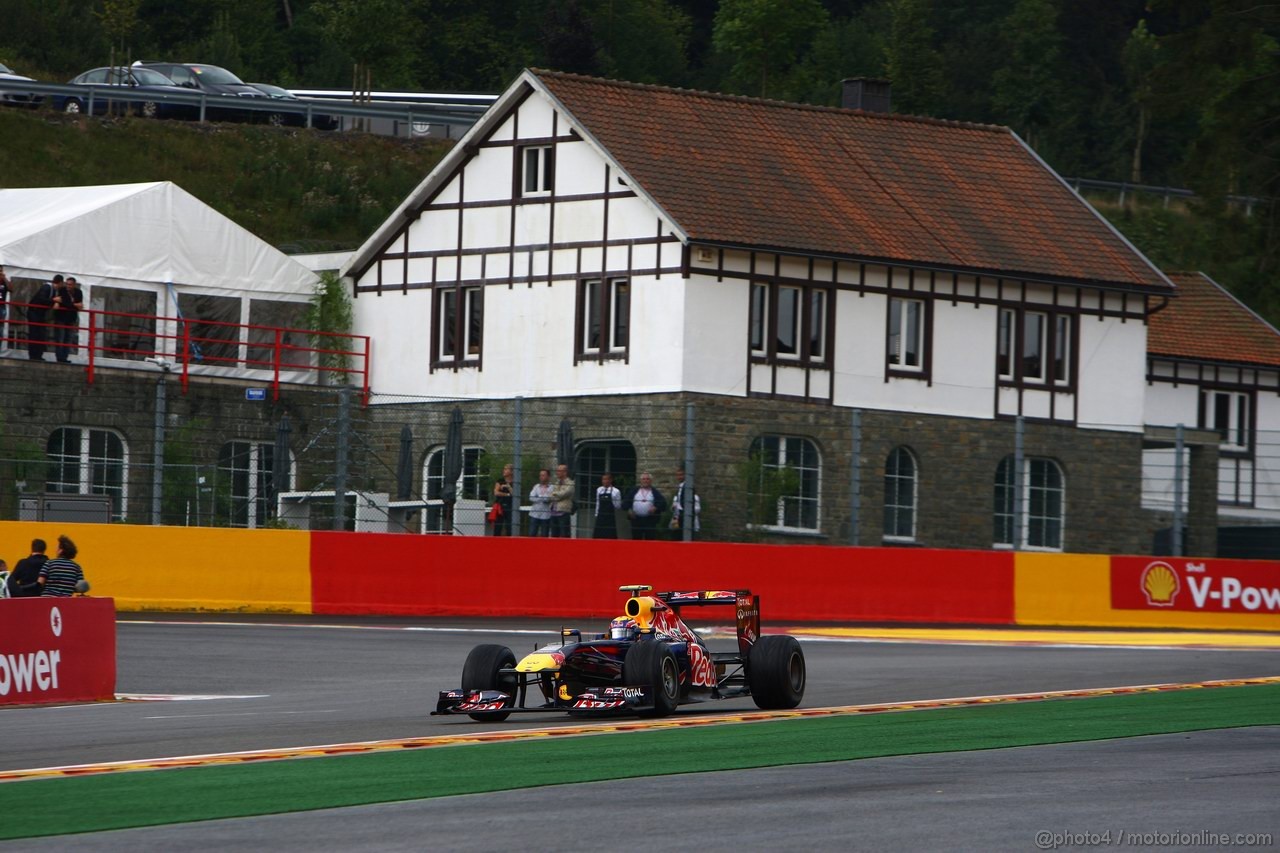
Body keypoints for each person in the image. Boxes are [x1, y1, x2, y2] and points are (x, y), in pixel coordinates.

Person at [624, 471, 667, 541]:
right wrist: (629, 510)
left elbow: (663, 503)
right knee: (636, 541)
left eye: (647, 479)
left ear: (651, 481)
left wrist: (655, 508)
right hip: (636, 520)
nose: (645, 481)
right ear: (640, 480)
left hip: (649, 521)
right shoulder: (634, 490)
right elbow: (625, 503)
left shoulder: (654, 491)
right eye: (643, 479)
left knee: (649, 541)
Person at [51, 274, 83, 363]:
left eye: (70, 284)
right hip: (61, 317)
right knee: (60, 338)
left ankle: (64, 357)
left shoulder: (78, 292)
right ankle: (59, 358)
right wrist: (73, 305)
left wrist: (70, 304)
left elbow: (79, 305)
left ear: (74, 285)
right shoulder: (62, 290)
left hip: (71, 318)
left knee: (68, 339)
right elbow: (64, 302)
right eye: (67, 284)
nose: (68, 286)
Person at [26, 275, 56, 361]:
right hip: (35, 312)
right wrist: (53, 301)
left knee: (40, 334)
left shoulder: (51, 289)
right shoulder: (47, 288)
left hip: (39, 313)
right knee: (35, 333)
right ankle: (34, 355)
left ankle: (37, 354)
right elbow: (41, 299)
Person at [670, 467, 702, 539]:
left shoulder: (688, 486)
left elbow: (694, 507)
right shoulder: (680, 487)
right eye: (678, 475)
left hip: (684, 517)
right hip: (677, 517)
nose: (679, 477)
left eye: (681, 475)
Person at [548, 463, 575, 538]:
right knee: (554, 535)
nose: (557, 472)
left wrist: (555, 495)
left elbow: (563, 494)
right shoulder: (556, 483)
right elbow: (550, 495)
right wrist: (556, 495)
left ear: (565, 472)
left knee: (564, 534)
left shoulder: (570, 483)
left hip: (563, 512)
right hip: (553, 512)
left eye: (559, 471)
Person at [593, 472, 622, 539]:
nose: (605, 481)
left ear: (611, 480)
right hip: (600, 517)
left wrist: (612, 500)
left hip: (610, 517)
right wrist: (596, 514)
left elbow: (618, 506)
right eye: (603, 479)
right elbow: (598, 503)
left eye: (607, 479)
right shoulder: (599, 490)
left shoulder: (616, 491)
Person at [528, 468, 554, 537]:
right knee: (532, 534)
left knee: (544, 536)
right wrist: (543, 496)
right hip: (534, 514)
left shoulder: (552, 487)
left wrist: (538, 496)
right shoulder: (536, 486)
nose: (541, 477)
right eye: (540, 475)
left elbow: (548, 499)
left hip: (545, 515)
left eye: (543, 475)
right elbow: (531, 497)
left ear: (548, 477)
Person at [491, 463, 514, 536]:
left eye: (506, 469)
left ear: (511, 471)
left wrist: (508, 487)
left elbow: (515, 494)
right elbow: (496, 492)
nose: (504, 470)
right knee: (498, 526)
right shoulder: (500, 481)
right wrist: (507, 494)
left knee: (509, 527)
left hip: (510, 506)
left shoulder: (515, 482)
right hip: (500, 506)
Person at [0, 263, 10, 350]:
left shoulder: (4, 281)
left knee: (1, 328)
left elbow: (11, 289)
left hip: (1, 306)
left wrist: (5, 278)